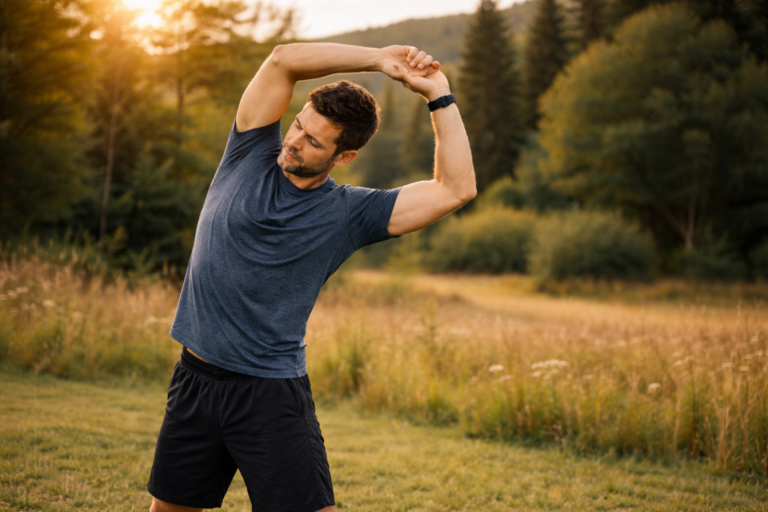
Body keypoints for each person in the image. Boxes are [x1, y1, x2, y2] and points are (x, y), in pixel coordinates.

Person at [147, 43, 476, 512]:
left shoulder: (351, 214)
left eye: (314, 142)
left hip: (268, 394)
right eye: (299, 125)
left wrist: (438, 94)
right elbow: (282, 60)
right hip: (194, 378)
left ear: (344, 157)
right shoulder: (247, 152)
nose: (295, 141)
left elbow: (456, 189)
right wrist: (379, 59)